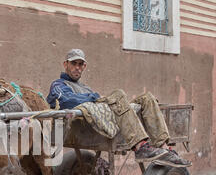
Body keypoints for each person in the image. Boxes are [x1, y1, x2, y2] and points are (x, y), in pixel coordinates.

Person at [47, 49, 191, 167]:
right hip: (86, 124)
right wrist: (94, 97)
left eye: (80, 64)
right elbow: (66, 101)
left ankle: (164, 147)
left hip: (104, 113)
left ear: (84, 66)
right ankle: (140, 146)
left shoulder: (84, 87)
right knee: (118, 94)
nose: (77, 67)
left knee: (147, 98)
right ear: (65, 64)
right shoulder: (58, 84)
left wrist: (95, 98)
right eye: (73, 63)